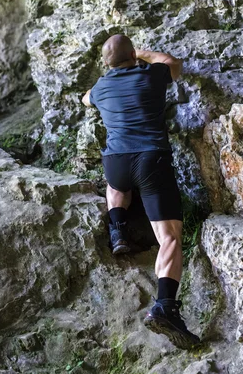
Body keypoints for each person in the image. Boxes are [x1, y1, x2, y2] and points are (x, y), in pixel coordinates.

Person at [82, 34, 199, 349]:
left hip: (117, 162)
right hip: (151, 159)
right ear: (132, 54)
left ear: (106, 63)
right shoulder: (150, 74)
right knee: (171, 238)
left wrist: (109, 76)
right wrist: (143, 53)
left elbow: (85, 98)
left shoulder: (101, 88)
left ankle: (118, 229)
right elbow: (174, 64)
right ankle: (165, 307)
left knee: (116, 183)